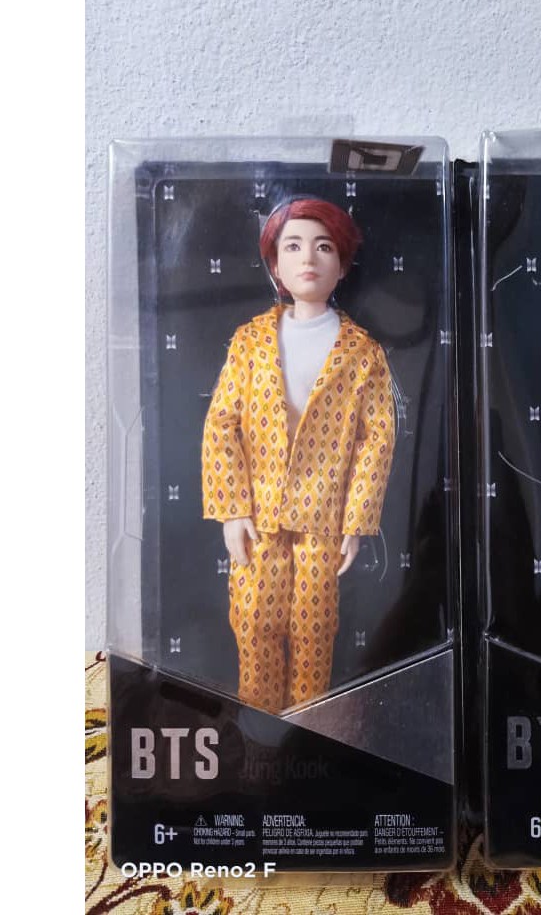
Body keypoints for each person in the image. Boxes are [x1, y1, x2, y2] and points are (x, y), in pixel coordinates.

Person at [202, 198, 396, 712]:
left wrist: (357, 519)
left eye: (323, 247)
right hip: (259, 515)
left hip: (322, 517)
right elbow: (222, 422)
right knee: (254, 621)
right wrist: (232, 509)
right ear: (274, 265)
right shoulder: (250, 342)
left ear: (343, 265)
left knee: (315, 627)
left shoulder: (361, 352)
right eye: (293, 246)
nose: (308, 258)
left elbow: (376, 438)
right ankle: (259, 727)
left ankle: (310, 729)